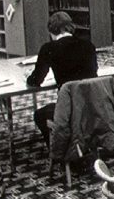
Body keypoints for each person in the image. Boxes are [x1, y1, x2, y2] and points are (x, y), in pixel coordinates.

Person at [28, 11, 99, 143]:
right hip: (93, 106)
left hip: (69, 110)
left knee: (39, 114)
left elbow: (36, 81)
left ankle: (59, 150)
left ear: (52, 30)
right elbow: (93, 72)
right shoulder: (88, 45)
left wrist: (28, 76)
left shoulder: (48, 48)